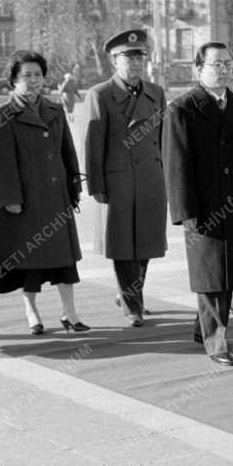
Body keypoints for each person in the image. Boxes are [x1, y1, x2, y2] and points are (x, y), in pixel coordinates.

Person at [163, 42, 233, 366]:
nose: (223, 69)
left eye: (227, 63)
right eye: (215, 64)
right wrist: (185, 214)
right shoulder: (181, 109)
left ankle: (203, 327)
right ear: (198, 70)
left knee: (230, 273)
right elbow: (175, 165)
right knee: (210, 275)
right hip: (204, 207)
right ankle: (216, 341)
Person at [0, 50, 88, 335]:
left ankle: (70, 313)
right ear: (13, 81)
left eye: (38, 75)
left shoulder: (54, 109)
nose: (33, 81)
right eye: (26, 75)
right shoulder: (3, 116)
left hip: (57, 197)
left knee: (64, 260)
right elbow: (3, 164)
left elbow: (67, 152)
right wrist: (11, 200)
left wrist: (75, 187)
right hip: (26, 201)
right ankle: (31, 312)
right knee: (29, 261)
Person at [83, 29, 167, 326]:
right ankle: (133, 305)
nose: (135, 62)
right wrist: (96, 185)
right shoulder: (100, 95)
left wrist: (165, 177)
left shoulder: (156, 93)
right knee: (123, 246)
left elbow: (164, 139)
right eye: (127, 57)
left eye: (139, 56)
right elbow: (93, 144)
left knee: (145, 244)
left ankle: (130, 291)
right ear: (113, 61)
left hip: (150, 178)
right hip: (118, 181)